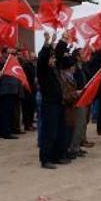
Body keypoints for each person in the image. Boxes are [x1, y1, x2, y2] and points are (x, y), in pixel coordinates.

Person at [37, 33, 68, 169]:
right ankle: (46, 159)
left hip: (58, 104)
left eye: (53, 58)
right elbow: (42, 59)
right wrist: (46, 43)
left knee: (59, 131)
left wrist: (63, 40)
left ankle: (56, 156)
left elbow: (59, 55)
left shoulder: (54, 69)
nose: (53, 60)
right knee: (49, 132)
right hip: (49, 105)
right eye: (51, 58)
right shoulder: (43, 70)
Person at [0, 49, 22, 140]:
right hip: (7, 91)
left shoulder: (12, 62)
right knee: (6, 112)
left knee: (8, 112)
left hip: (11, 90)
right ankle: (5, 132)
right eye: (12, 54)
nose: (14, 55)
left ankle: (6, 130)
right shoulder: (4, 62)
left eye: (14, 54)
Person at [21, 51, 37, 132]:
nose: (33, 58)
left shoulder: (33, 66)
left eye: (34, 57)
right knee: (27, 108)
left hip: (33, 89)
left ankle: (30, 123)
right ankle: (27, 124)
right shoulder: (25, 66)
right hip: (27, 89)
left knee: (31, 107)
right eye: (32, 57)